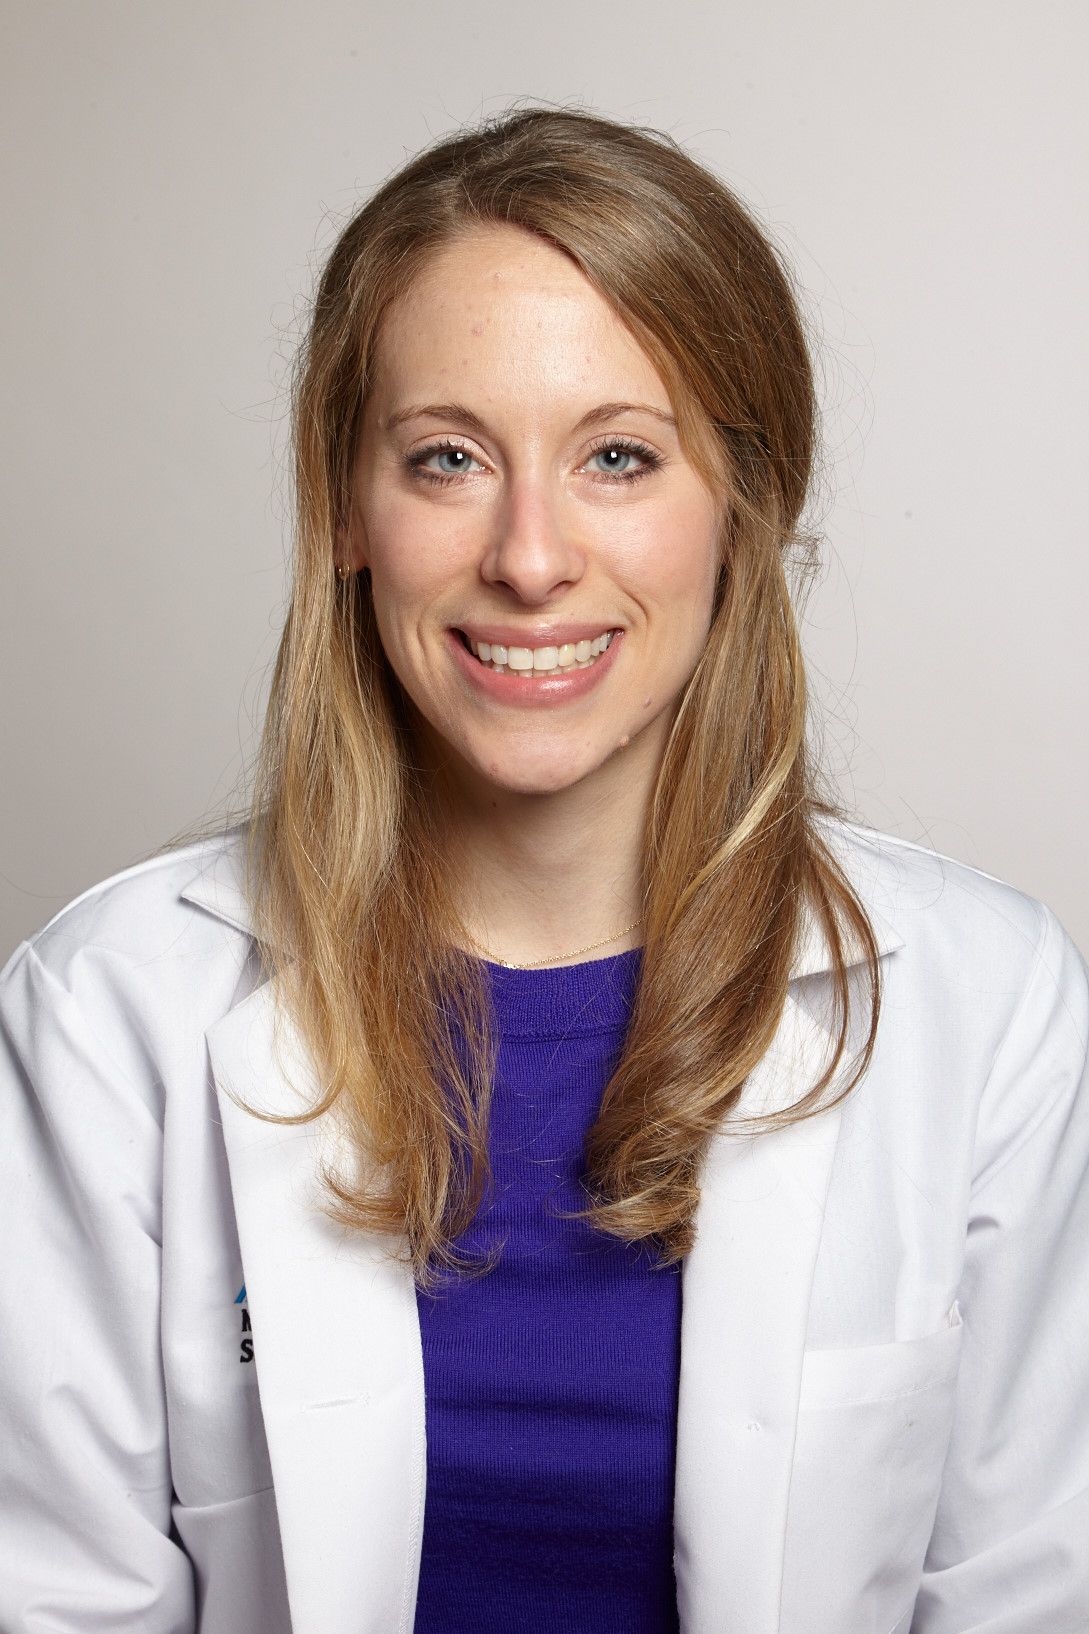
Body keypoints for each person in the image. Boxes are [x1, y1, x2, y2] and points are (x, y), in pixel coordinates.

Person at [1, 104, 1087, 1634]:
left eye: (619, 457)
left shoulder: (992, 1007)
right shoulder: (105, 1013)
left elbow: (1026, 1594)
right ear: (344, 511)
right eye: (446, 457)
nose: (528, 554)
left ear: (741, 510)